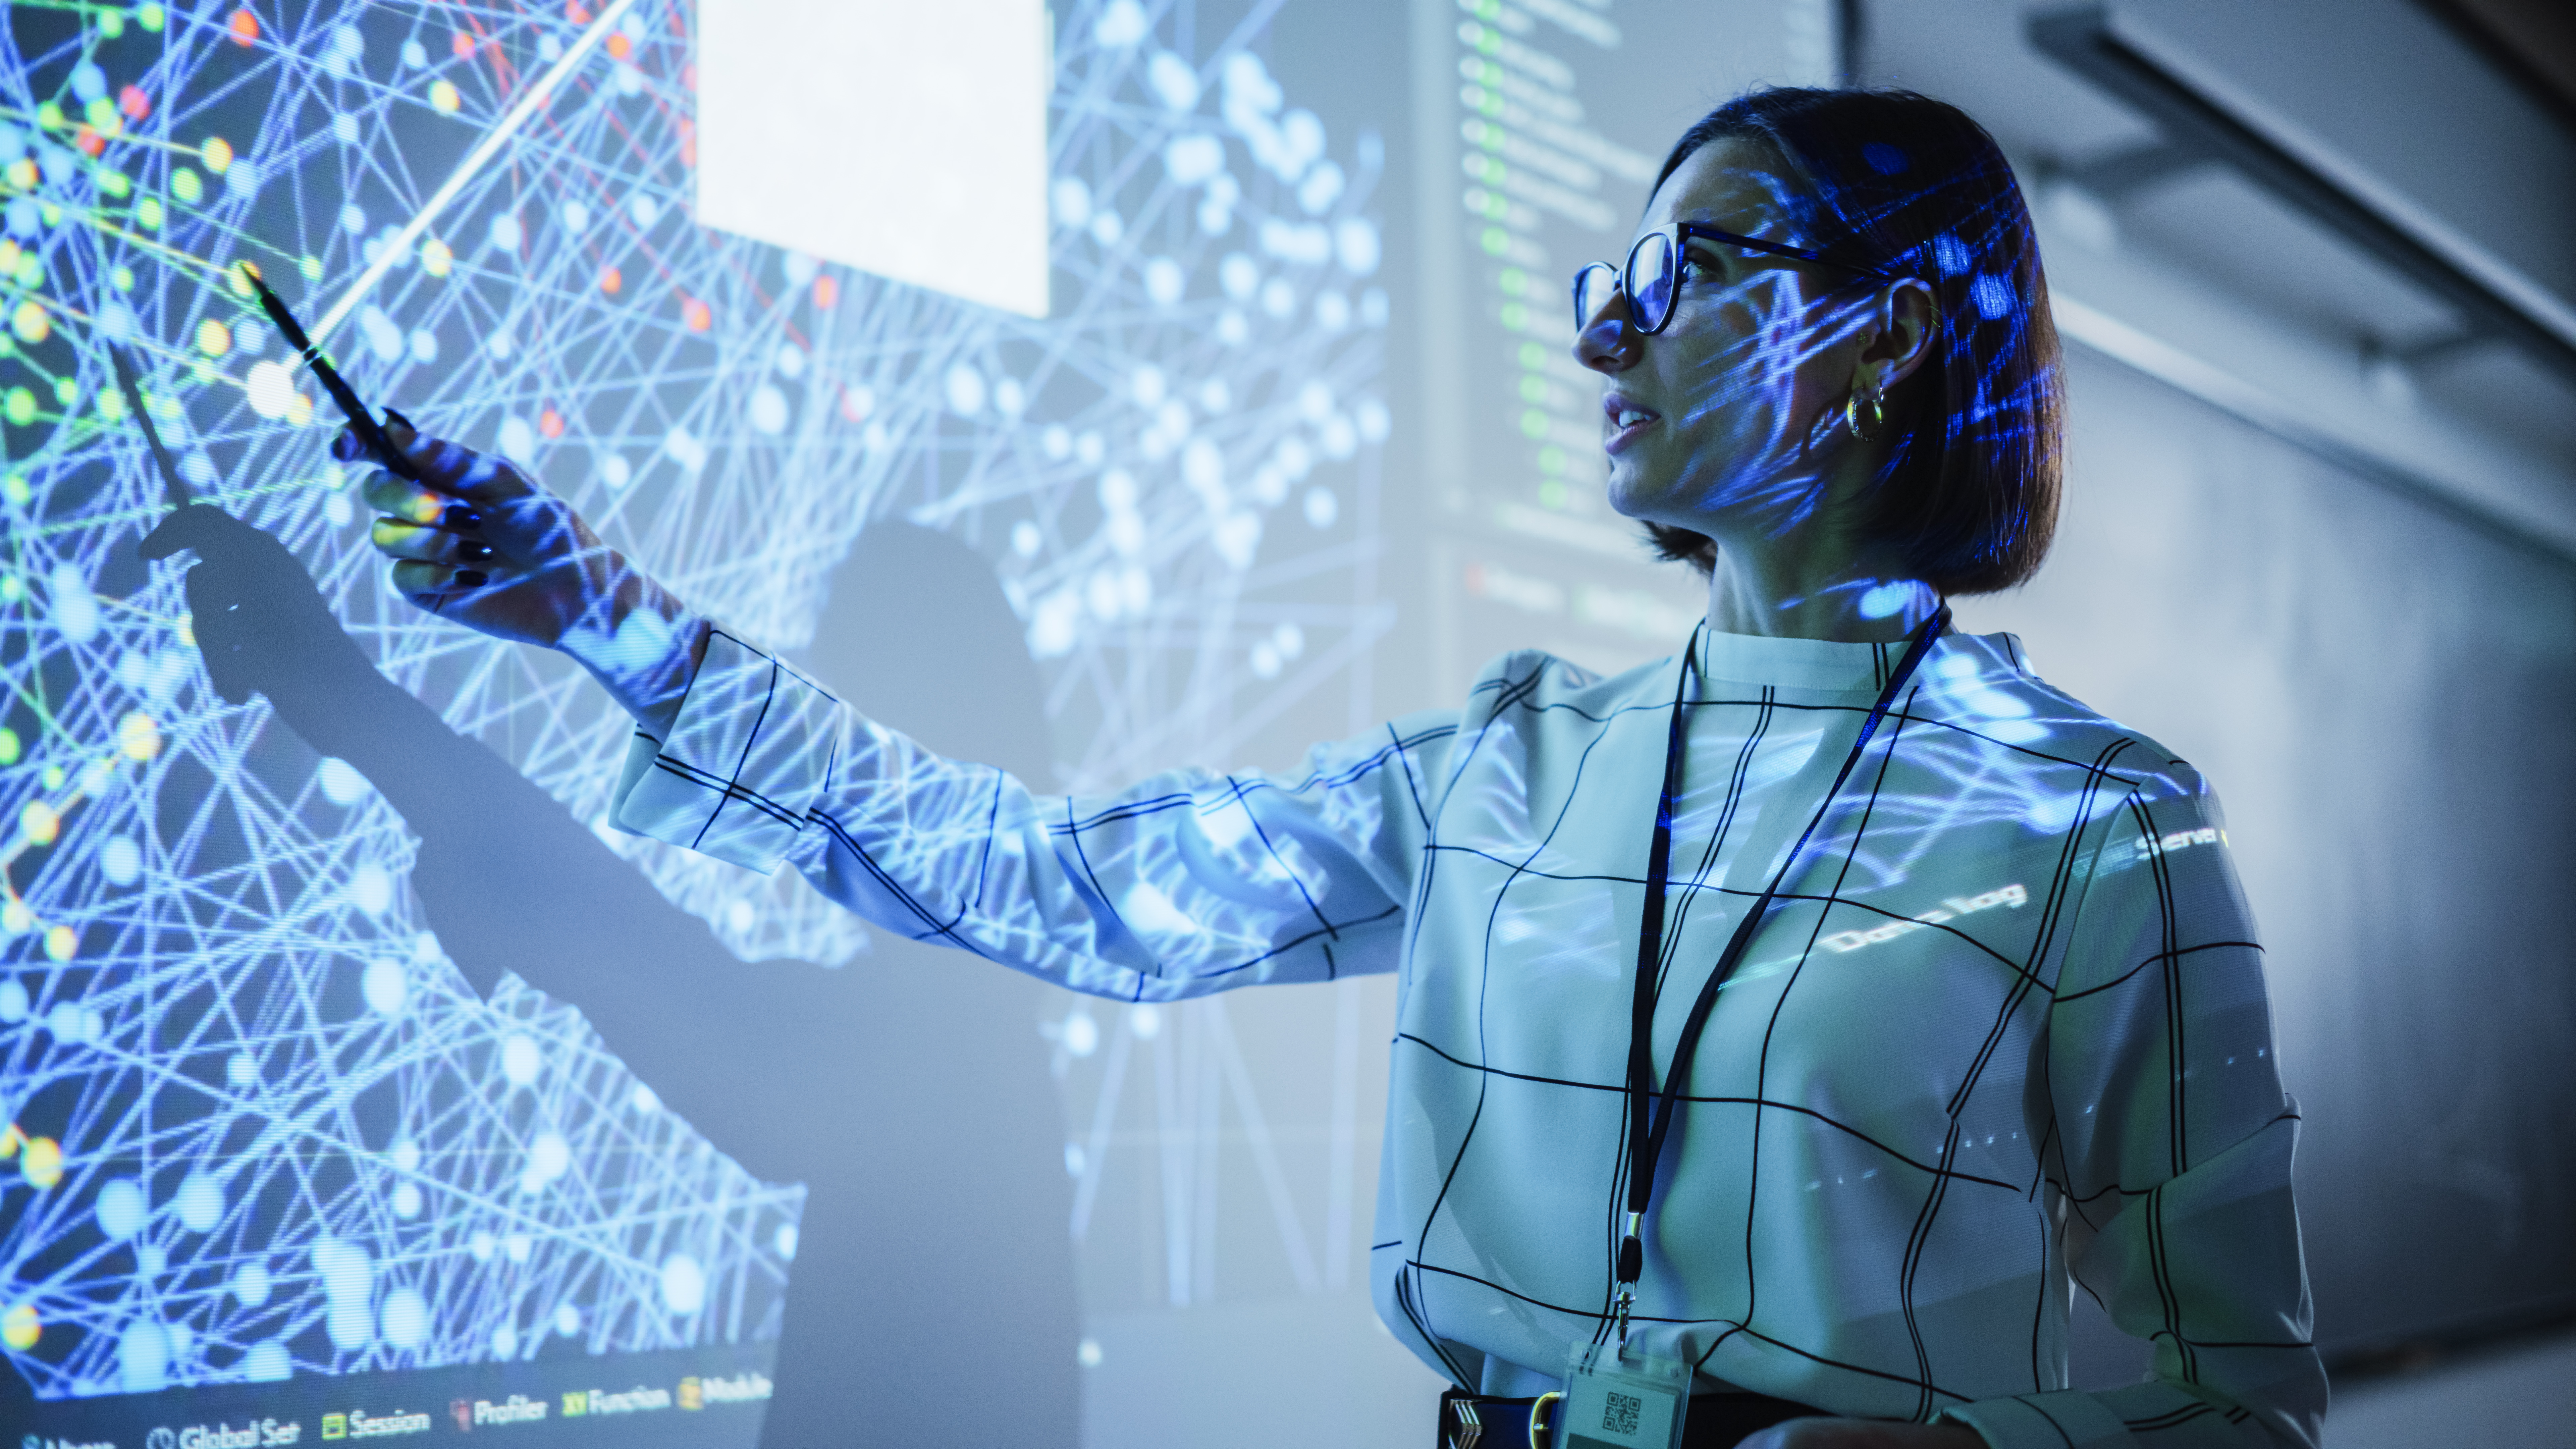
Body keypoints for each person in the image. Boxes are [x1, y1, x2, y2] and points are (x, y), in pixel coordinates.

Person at [334, 88, 2326, 1448]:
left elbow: (2236, 1400)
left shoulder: (2098, 830)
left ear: (1887, 340)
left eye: (1684, 274)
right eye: (1601, 291)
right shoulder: (1518, 767)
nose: (1603, 342)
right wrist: (609, 616)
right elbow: (1063, 888)